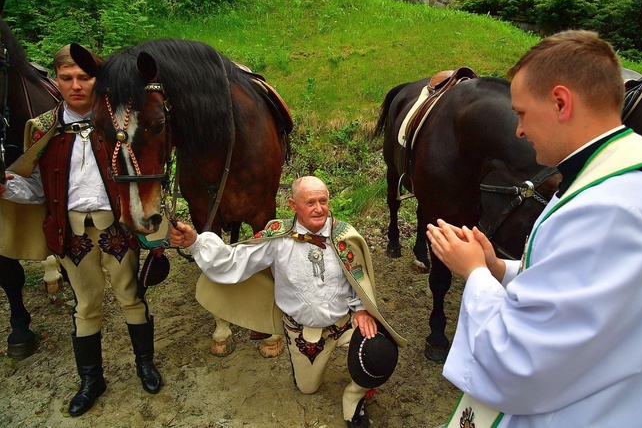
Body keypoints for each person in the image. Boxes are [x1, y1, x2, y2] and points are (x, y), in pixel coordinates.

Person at [426, 30, 642, 427]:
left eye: (521, 112)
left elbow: (520, 361)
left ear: (560, 102)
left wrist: (473, 274)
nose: (518, 130)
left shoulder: (611, 210)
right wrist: (500, 268)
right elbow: (582, 288)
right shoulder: (619, 177)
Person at [0, 44, 162, 417]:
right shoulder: (42, 129)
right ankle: (91, 379)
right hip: (71, 232)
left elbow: (144, 171)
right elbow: (38, 188)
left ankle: (145, 364)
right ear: (55, 80)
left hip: (115, 229)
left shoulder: (116, 122)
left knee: (130, 295)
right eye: (66, 78)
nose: (75, 86)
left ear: (97, 79)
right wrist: (8, 185)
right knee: (86, 304)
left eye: (84, 77)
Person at [169, 175, 406, 427]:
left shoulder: (344, 236)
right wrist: (195, 242)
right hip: (305, 335)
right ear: (293, 205)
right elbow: (233, 260)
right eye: (310, 202)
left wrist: (361, 310)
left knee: (380, 350)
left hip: (344, 324)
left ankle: (354, 398)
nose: (319, 208)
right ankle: (301, 363)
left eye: (323, 201)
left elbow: (359, 277)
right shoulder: (278, 238)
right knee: (307, 389)